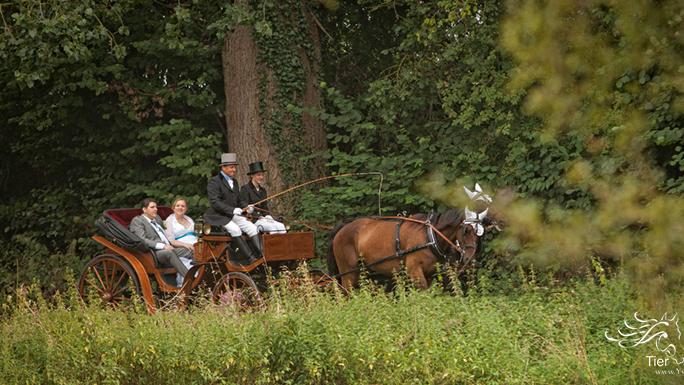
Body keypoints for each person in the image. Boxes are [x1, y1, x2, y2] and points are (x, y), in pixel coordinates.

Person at [203, 153, 261, 265]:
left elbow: (239, 200)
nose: (234, 169)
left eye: (235, 167)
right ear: (223, 168)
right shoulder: (214, 182)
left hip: (232, 215)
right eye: (231, 167)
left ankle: (261, 255)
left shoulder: (234, 181)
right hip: (218, 216)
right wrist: (232, 210)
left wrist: (247, 207)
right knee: (235, 229)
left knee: (252, 228)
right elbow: (215, 202)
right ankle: (250, 258)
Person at [130, 198, 191, 286]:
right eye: (152, 207)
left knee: (191, 250)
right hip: (154, 253)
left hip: (169, 247)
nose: (156, 209)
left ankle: (201, 274)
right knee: (169, 252)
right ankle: (189, 278)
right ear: (144, 209)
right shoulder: (138, 221)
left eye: (156, 207)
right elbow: (142, 239)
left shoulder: (157, 218)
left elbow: (167, 232)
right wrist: (163, 246)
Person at [239, 161, 286, 234]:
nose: (261, 177)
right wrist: (257, 215)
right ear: (252, 176)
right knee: (272, 228)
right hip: (253, 220)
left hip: (264, 219)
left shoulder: (263, 190)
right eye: (258, 175)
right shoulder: (245, 189)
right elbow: (243, 206)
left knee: (281, 226)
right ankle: (272, 245)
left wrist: (267, 216)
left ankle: (283, 245)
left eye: (262, 175)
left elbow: (264, 207)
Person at [164, 197, 197, 286]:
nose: (180, 208)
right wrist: (186, 245)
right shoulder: (169, 221)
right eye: (177, 206)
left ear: (186, 208)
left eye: (183, 206)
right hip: (181, 248)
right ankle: (188, 283)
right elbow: (171, 241)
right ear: (173, 208)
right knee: (188, 262)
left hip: (195, 245)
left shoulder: (189, 219)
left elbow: (195, 234)